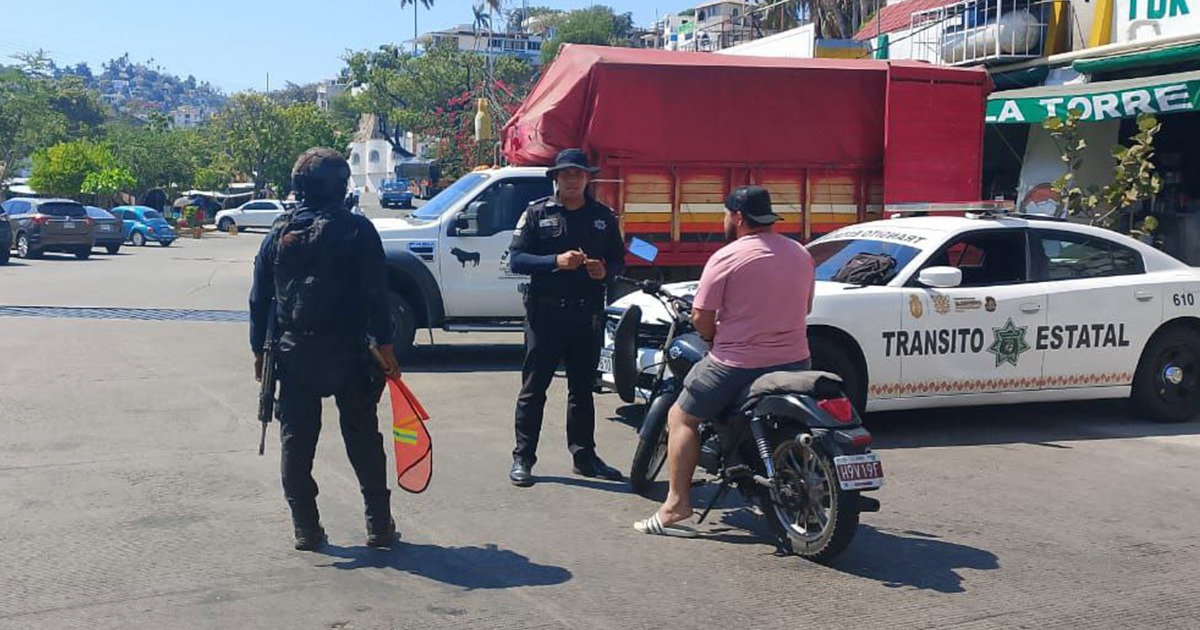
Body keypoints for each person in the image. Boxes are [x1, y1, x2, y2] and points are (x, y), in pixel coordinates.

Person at [633, 185, 816, 538]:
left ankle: (676, 504)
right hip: (796, 361)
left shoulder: (728, 256)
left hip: (737, 363)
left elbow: (702, 316)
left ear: (738, 218)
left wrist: (713, 336)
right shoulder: (799, 253)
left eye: (725, 214)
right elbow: (805, 307)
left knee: (681, 416)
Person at [249, 147, 403, 551]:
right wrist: (386, 349)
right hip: (350, 351)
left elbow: (259, 299)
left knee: (296, 442)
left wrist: (259, 352)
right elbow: (376, 296)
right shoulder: (357, 230)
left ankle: (306, 527)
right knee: (363, 438)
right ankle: (379, 525)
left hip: (293, 351)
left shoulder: (278, 233)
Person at [507, 148, 627, 487]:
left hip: (586, 315)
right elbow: (516, 260)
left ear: (587, 178)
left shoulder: (603, 217)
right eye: (566, 174)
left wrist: (605, 271)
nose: (573, 180)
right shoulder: (536, 213)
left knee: (582, 391)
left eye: (579, 174)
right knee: (534, 390)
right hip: (545, 315)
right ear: (556, 178)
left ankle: (584, 456)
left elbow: (619, 261)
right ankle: (523, 457)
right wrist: (554, 262)